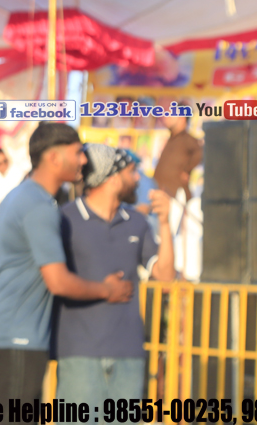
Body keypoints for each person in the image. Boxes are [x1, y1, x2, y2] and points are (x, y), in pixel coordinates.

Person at [0, 123, 134, 409]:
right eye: (78, 152)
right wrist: (108, 290)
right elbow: (58, 281)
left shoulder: (20, 195)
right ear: (54, 157)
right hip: (17, 336)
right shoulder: (38, 206)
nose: (83, 160)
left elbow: (0, 265)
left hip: (3, 330)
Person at [53, 144, 175, 405]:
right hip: (79, 354)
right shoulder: (64, 219)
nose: (138, 178)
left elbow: (165, 277)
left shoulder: (137, 222)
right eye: (131, 171)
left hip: (129, 354)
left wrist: (165, 223)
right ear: (112, 178)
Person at [154, 110, 202, 199]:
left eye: (171, 115)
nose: (167, 118)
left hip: (176, 196)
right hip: (161, 192)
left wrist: (187, 170)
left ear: (182, 118)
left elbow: (199, 152)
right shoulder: (172, 138)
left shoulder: (187, 139)